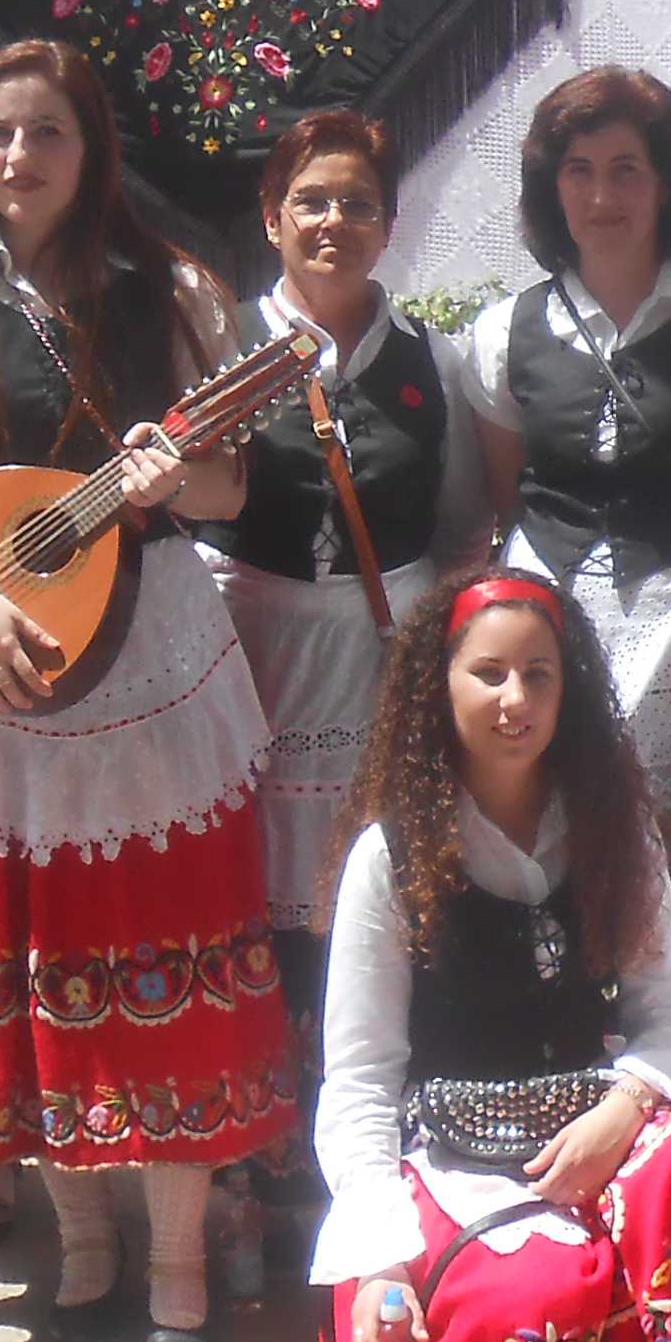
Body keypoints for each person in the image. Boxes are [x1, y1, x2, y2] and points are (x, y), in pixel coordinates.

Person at [0, 38, 294, 1342]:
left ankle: (182, 1272)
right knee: (28, 953)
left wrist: (167, 485)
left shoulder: (178, 292)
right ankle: (81, 1243)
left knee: (156, 941)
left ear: (93, 156)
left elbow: (228, 492)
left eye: (47, 137)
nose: (18, 159)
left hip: (140, 659)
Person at [316, 576, 671, 1342]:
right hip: (455, 1160)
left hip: (595, 1123)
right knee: (547, 1302)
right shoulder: (390, 858)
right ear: (441, 685)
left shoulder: (612, 829)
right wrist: (381, 1262)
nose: (515, 701)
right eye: (490, 674)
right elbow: (356, 1082)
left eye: (538, 677)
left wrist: (621, 1113)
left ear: (568, 691)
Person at [211, 109, 471, 1052]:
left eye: (358, 205)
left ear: (389, 226)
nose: (333, 222)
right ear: (272, 216)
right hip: (250, 648)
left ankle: (356, 1074)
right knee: (251, 869)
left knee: (369, 865)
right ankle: (265, 1089)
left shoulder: (430, 359)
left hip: (382, 653)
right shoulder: (224, 341)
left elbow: (462, 520)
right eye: (309, 201)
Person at [469, 65, 671, 817]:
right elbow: (507, 495)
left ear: (666, 184)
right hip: (551, 627)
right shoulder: (503, 332)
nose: (601, 197)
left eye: (627, 170)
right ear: (551, 187)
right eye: (579, 171)